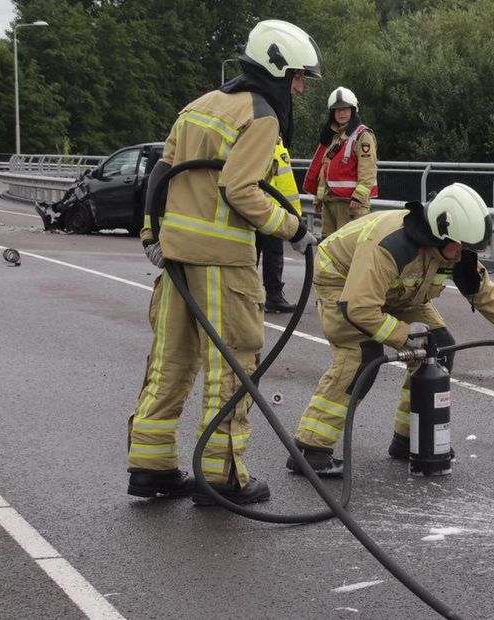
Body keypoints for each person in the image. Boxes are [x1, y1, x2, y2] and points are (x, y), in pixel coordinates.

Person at [126, 19, 321, 505]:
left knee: (170, 364)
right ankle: (223, 477)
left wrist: (152, 234)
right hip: (222, 264)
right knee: (231, 366)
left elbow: (162, 174)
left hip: (175, 261)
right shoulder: (260, 115)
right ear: (276, 69)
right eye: (297, 76)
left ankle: (150, 466)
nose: (299, 87)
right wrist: (294, 230)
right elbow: (241, 190)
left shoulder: (198, 107)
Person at [286, 183, 494, 476]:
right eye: (459, 246)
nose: (462, 254)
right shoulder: (392, 246)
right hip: (343, 282)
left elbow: (487, 296)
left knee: (438, 348)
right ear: (439, 233)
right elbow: (359, 307)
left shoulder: (452, 251)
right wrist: (402, 334)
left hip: (396, 293)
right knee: (360, 357)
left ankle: (411, 438)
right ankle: (310, 449)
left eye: (468, 248)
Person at [302, 86, 378, 237]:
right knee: (327, 247)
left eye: (345, 109)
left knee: (346, 250)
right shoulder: (333, 136)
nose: (341, 113)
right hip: (330, 202)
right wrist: (319, 197)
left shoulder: (362, 135)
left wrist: (359, 196)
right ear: (332, 113)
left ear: (353, 110)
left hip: (351, 204)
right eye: (337, 110)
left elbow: (368, 169)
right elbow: (325, 169)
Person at [256, 138, 303, 313]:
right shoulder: (255, 138)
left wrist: (295, 215)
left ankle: (274, 296)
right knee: (248, 257)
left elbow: (287, 184)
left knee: (274, 255)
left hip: (273, 213)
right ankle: (244, 298)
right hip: (252, 210)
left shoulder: (278, 146)